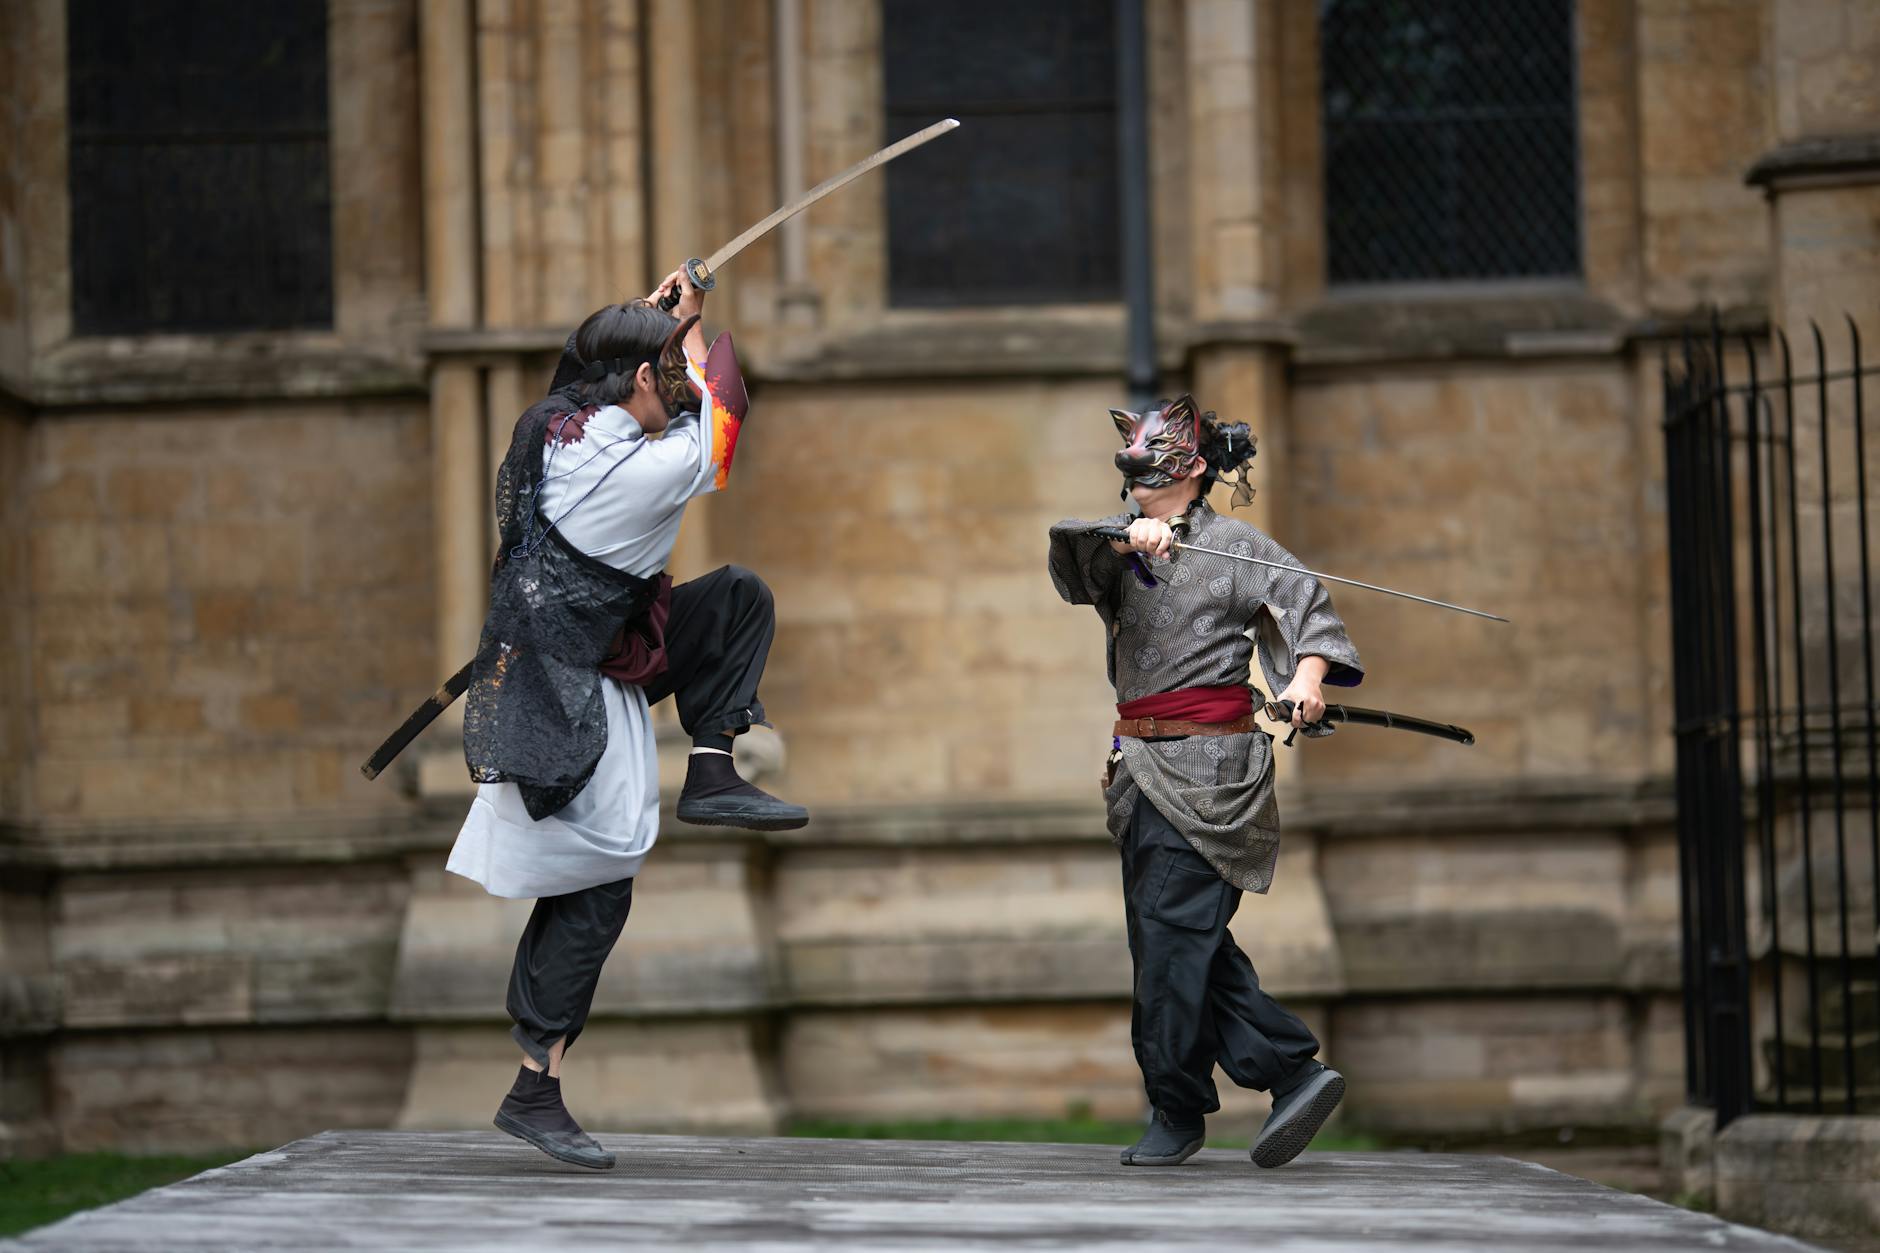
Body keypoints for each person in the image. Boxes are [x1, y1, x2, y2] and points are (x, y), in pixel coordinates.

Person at [447, 269, 806, 1170]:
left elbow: (582, 360)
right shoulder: (649, 470)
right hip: (572, 687)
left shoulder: (556, 424)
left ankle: (714, 767)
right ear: (643, 382)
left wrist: (657, 316)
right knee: (598, 879)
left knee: (732, 599)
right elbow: (723, 411)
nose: (678, 386)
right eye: (666, 373)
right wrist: (693, 332)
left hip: (583, 646)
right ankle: (537, 1084)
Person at [1047, 395, 1362, 1169]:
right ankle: (1289, 1072)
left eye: (1150, 461)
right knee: (1176, 941)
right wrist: (1128, 542)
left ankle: (1183, 1105)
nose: (1133, 474)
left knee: (1170, 940)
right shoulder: (1118, 544)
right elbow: (1071, 559)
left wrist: (1309, 681)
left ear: (1190, 469)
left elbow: (1309, 618)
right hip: (1140, 773)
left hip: (1216, 775)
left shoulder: (1241, 549)